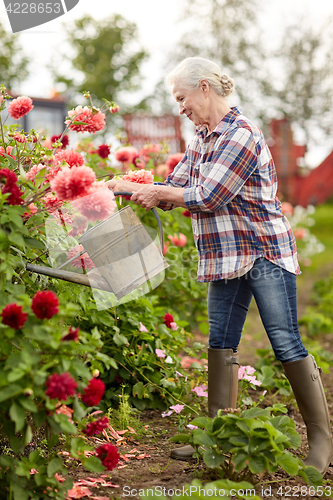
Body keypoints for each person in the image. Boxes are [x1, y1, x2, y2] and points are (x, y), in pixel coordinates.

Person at [107, 56, 333, 475]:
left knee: (284, 342)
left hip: (263, 252)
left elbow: (209, 195)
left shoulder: (241, 135)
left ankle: (322, 440)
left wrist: (158, 192)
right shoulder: (202, 138)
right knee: (220, 341)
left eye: (182, 97)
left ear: (205, 87)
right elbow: (177, 188)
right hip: (225, 254)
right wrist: (128, 187)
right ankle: (217, 434)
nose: (180, 107)